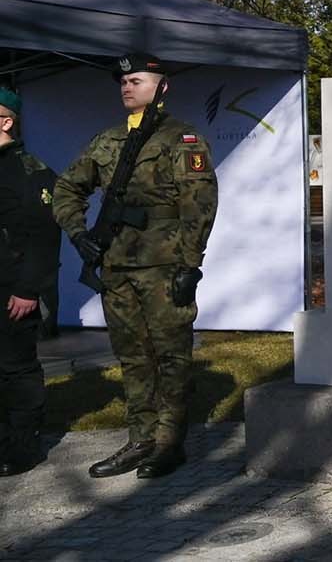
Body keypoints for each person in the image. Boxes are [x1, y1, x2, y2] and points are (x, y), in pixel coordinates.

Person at [51, 53, 217, 479]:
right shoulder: (107, 141)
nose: (127, 86)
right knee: (132, 356)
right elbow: (67, 189)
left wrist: (190, 264)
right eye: (123, 81)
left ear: (162, 86)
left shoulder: (182, 140)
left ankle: (168, 442)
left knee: (171, 354)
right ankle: (139, 438)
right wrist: (78, 234)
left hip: (164, 267)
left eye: (137, 80)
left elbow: (199, 204)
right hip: (117, 267)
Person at [0, 87, 57, 476]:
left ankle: (23, 446)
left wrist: (28, 289)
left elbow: (45, 235)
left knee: (15, 368)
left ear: (6, 121)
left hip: (12, 289)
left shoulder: (29, 171)